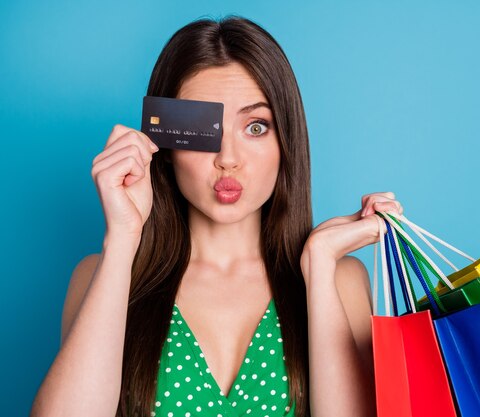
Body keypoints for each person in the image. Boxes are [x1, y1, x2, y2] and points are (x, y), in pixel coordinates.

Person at [30, 15, 403, 417]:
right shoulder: (100, 275)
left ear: (286, 141)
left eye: (256, 127)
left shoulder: (338, 279)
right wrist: (123, 238)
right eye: (202, 130)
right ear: (166, 146)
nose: (228, 160)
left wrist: (319, 263)